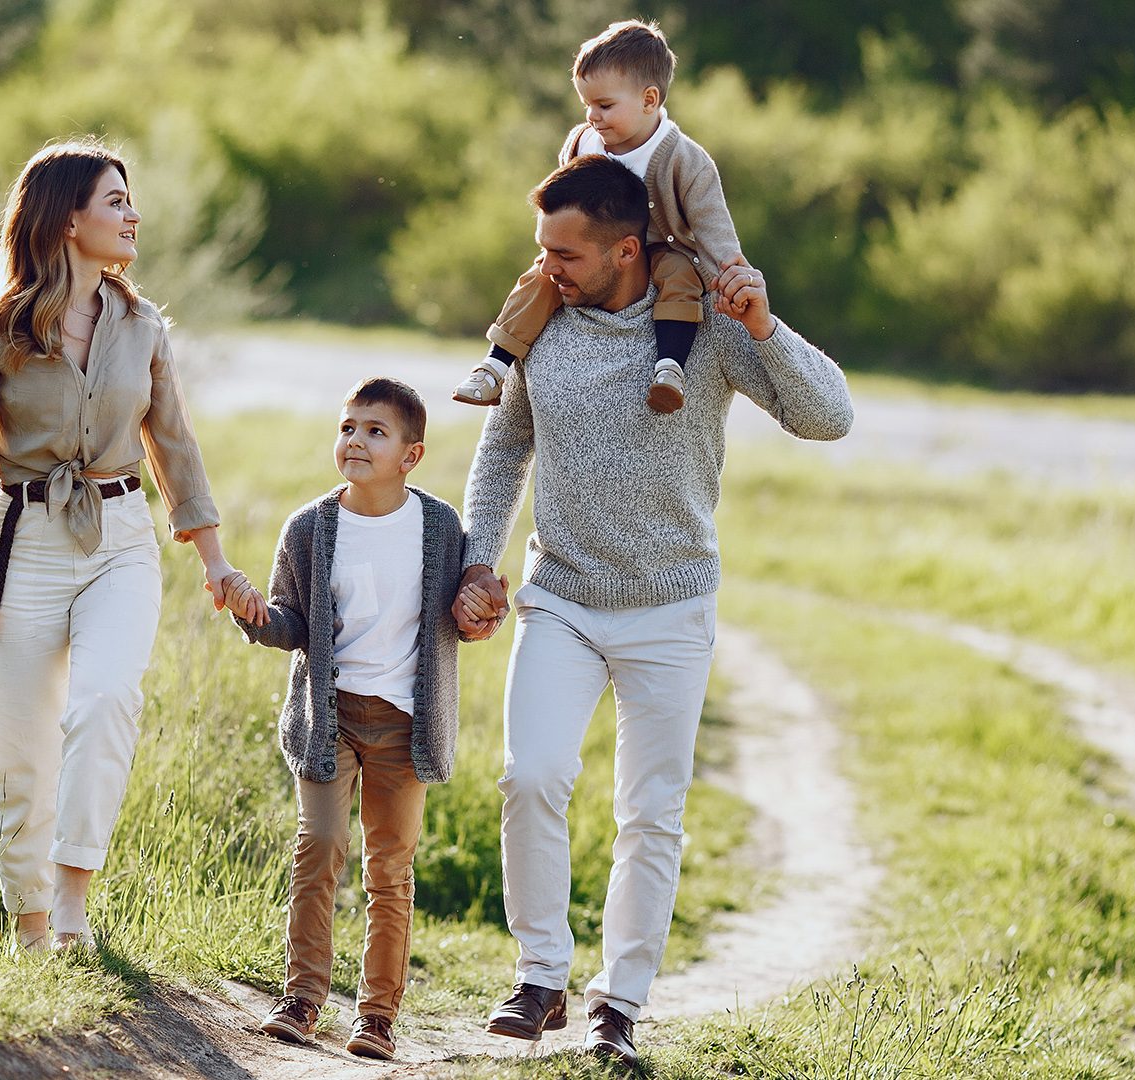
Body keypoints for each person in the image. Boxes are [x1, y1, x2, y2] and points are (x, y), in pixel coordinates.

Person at [450, 154, 853, 1066]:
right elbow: (501, 450)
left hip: (671, 607)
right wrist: (479, 560)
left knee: (651, 814)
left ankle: (617, 1006)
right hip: (562, 598)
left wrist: (767, 325)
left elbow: (830, 418)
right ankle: (541, 974)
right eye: (542, 248)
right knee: (532, 776)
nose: (546, 268)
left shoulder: (704, 326)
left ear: (627, 248)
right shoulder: (542, 321)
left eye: (567, 254)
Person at [0, 139, 268, 955]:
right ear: (66, 216)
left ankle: (75, 900)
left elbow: (175, 446)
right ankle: (31, 928)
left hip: (121, 537)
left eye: (129, 200)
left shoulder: (142, 324)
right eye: (116, 201)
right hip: (24, 537)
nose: (132, 215)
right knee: (17, 744)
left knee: (105, 701)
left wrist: (214, 557)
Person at [235, 378, 472, 1061]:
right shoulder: (309, 527)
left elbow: (464, 610)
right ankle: (303, 998)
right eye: (347, 427)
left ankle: (376, 1017)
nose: (356, 441)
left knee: (390, 869)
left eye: (376, 431)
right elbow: (294, 623)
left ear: (411, 454)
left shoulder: (438, 528)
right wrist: (257, 617)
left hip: (405, 722)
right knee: (319, 848)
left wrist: (486, 605)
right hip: (328, 717)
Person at [453, 19, 744, 416]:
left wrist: (729, 276)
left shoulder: (685, 160)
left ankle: (670, 368)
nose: (593, 116)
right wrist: (554, 251)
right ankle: (495, 366)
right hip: (597, 251)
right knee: (541, 276)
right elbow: (562, 201)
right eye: (587, 105)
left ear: (649, 99)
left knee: (680, 278)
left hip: (661, 250)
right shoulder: (582, 141)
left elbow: (713, 226)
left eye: (604, 105)